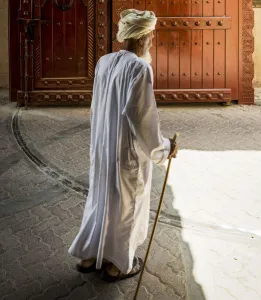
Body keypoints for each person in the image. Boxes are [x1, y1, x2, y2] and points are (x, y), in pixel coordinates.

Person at [68, 9, 178, 282]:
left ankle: (88, 256)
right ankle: (119, 265)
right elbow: (141, 118)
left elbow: (98, 108)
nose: (151, 40)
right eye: (150, 35)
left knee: (101, 199)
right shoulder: (140, 68)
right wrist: (164, 148)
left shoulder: (104, 62)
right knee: (127, 205)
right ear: (144, 37)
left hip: (105, 146)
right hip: (126, 151)